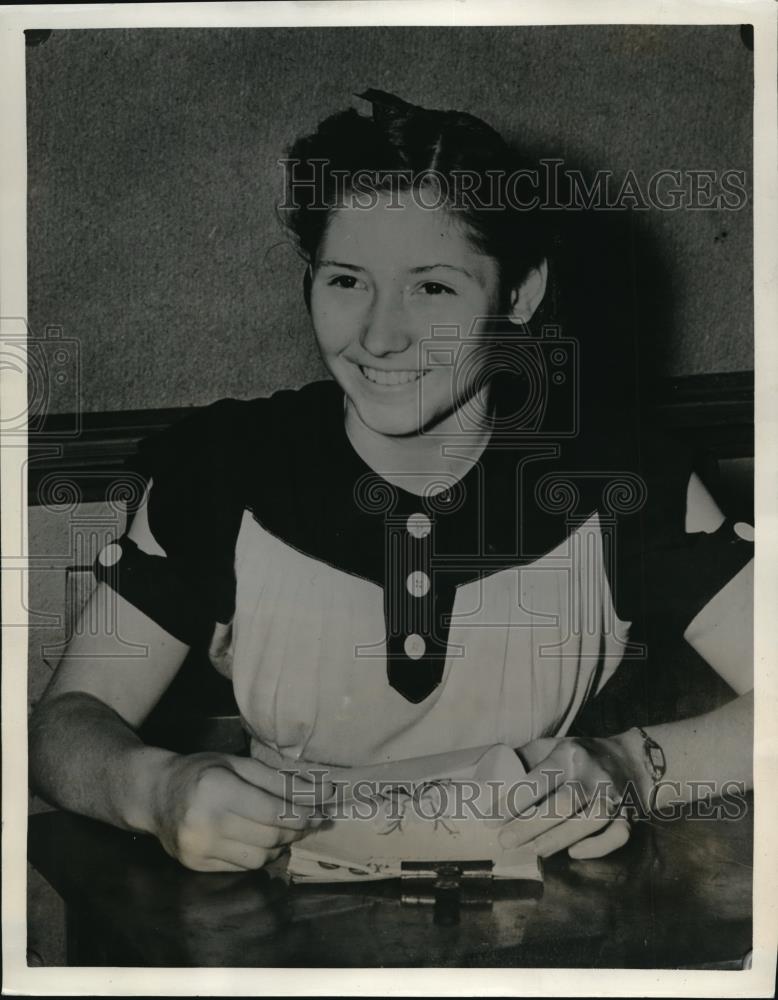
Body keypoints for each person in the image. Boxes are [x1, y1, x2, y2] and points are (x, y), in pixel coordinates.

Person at [29, 90, 754, 873]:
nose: (379, 334)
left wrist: (626, 768)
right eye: (347, 281)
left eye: (432, 287)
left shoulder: (621, 470)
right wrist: (156, 788)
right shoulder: (224, 464)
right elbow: (67, 721)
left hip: (551, 933)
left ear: (520, 294)